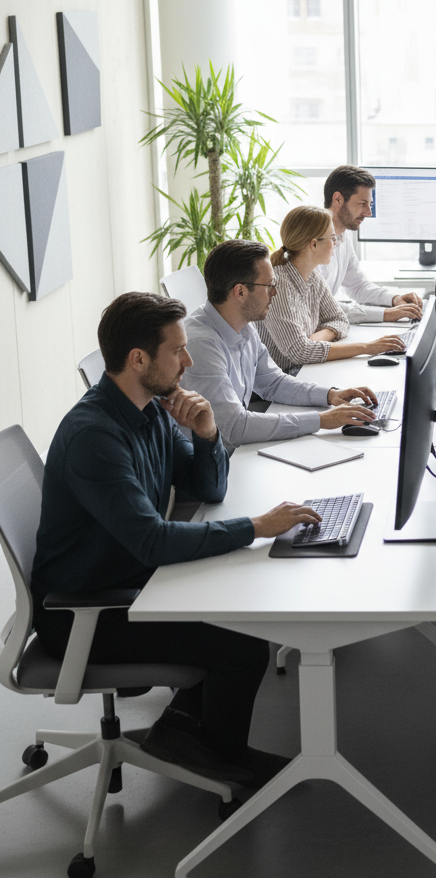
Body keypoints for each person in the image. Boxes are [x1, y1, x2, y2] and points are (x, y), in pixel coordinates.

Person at [32, 292, 327, 785]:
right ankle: (223, 757)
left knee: (234, 605)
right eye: (178, 351)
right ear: (138, 359)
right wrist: (255, 527)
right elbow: (152, 542)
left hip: (132, 582)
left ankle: (184, 735)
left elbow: (204, 487)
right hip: (87, 610)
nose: (188, 362)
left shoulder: (149, 410)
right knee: (242, 643)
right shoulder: (95, 437)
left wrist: (207, 434)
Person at [183, 239, 379, 454]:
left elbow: (272, 382)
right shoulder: (201, 345)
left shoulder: (244, 327)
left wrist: (330, 395)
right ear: (240, 292)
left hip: (236, 453)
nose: (274, 293)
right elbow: (235, 428)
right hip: (212, 465)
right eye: (269, 286)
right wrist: (321, 420)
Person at [256, 205, 406, 373]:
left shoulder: (313, 277)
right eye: (332, 238)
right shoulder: (279, 286)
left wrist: (317, 338)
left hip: (305, 371)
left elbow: (340, 320)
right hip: (280, 384)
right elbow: (300, 353)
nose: (336, 244)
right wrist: (367, 348)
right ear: (313, 245)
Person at [320, 164, 424, 322]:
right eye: (362, 204)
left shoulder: (342, 236)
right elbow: (322, 308)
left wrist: (394, 299)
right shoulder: (313, 242)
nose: (368, 213)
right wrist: (386, 315)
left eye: (370, 205)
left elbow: (358, 286)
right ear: (338, 199)